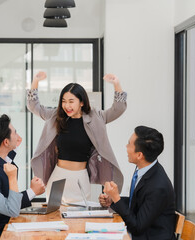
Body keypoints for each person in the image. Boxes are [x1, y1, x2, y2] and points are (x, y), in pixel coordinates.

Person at [27, 71, 127, 203]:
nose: (66, 106)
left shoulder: (96, 117)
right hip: (58, 178)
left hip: (81, 179)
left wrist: (116, 84)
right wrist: (35, 81)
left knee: (80, 221)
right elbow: (34, 106)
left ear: (81, 102)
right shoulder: (55, 117)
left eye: (71, 101)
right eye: (63, 101)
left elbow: (118, 109)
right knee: (55, 219)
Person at [99, 126, 176, 240]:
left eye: (129, 144)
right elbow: (138, 202)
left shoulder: (158, 187)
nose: (126, 147)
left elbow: (137, 227)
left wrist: (116, 198)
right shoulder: (146, 169)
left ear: (139, 155)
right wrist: (113, 200)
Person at [0, 114, 46, 239]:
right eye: (15, 133)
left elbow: (5, 159)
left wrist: (13, 147)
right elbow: (5, 206)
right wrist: (32, 191)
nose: (18, 136)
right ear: (6, 142)